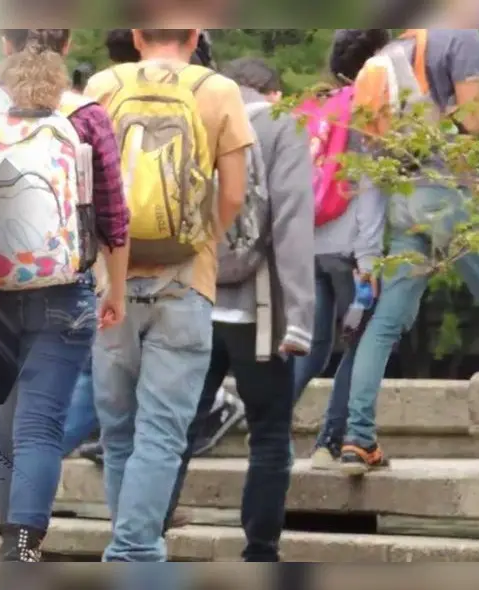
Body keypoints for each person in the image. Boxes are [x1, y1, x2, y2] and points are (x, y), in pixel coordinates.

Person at [0, 28, 130, 561]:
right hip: (65, 290)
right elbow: (113, 217)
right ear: (70, 42)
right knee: (42, 425)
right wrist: (116, 288)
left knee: (5, 428)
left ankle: (8, 540)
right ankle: (24, 549)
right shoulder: (87, 118)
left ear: (4, 46)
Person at [84, 28, 253, 562]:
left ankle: (131, 547)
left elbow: (78, 184)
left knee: (118, 434)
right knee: (162, 432)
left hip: (111, 279)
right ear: (197, 33)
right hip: (186, 283)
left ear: (135, 33)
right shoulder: (220, 90)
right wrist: (199, 240)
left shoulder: (103, 87)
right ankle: (134, 552)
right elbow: (233, 193)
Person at [168, 56, 316, 562]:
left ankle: (147, 533)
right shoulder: (282, 126)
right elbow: (294, 225)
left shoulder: (194, 117)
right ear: (271, 92)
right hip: (259, 313)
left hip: (191, 300)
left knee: (177, 429)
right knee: (270, 434)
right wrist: (300, 316)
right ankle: (259, 552)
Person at [339, 28, 479, 475]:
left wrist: (366, 257)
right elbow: (475, 121)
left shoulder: (374, 70)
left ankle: (357, 440)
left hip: (403, 204)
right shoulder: (462, 41)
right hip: (448, 196)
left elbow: (369, 178)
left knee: (384, 324)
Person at [292, 29, 390, 469]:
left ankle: (267, 428)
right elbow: (368, 189)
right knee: (362, 340)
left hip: (309, 241)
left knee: (312, 346)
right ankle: (332, 441)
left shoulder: (315, 104)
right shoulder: (365, 108)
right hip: (350, 248)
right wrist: (369, 259)